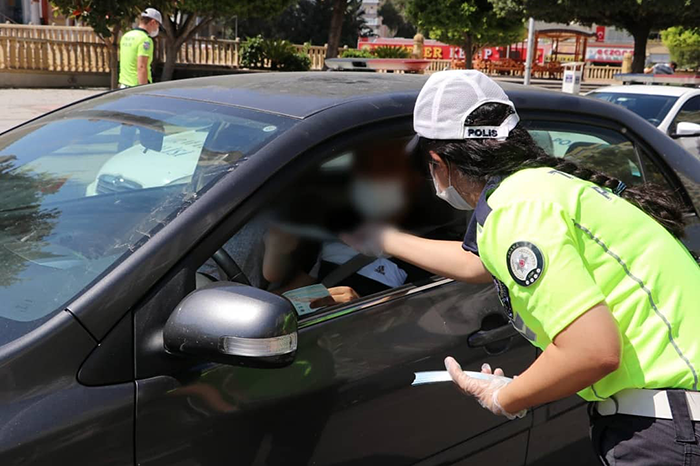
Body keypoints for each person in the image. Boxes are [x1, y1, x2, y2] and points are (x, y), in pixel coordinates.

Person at [345, 70, 700, 465]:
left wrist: (505, 396)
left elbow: (592, 351)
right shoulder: (534, 188)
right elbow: (479, 261)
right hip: (673, 416)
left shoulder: (517, 209)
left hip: (670, 428)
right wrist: (380, 239)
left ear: (437, 160)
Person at [118, 8, 162, 88]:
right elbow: (141, 66)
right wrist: (143, 89)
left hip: (124, 84)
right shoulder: (145, 40)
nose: (157, 28)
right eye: (158, 24)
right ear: (153, 22)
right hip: (136, 86)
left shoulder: (126, 36)